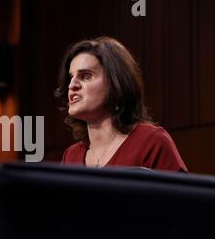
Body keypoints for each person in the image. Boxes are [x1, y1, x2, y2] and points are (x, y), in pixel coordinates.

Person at [54, 36, 188, 172]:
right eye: (71, 78)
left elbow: (182, 193)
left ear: (116, 83)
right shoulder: (71, 156)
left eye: (86, 76)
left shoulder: (151, 142)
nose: (72, 85)